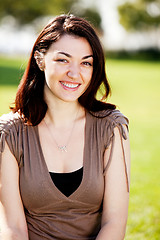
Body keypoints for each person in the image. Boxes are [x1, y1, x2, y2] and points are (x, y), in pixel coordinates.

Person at [0, 14, 130, 240]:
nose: (74, 73)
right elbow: (13, 228)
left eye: (86, 62)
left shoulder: (111, 127)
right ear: (40, 60)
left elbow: (115, 222)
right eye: (63, 59)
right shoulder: (10, 133)